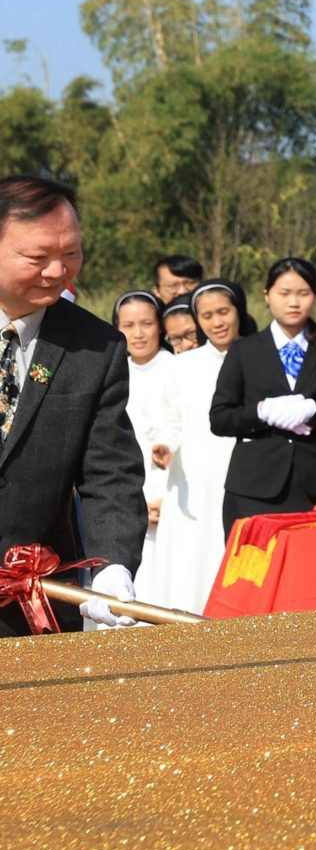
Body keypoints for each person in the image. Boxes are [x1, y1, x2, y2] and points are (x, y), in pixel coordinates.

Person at [0, 176, 144, 631]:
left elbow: (110, 472)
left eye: (71, 254)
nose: (58, 271)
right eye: (37, 257)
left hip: (37, 595)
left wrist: (113, 567)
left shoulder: (95, 347)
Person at [209, 258, 316, 529]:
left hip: (314, 486)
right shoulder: (244, 351)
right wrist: (262, 412)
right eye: (284, 294)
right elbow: (220, 419)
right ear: (267, 296)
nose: (294, 302)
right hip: (253, 487)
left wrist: (314, 410)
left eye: (303, 293)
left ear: (315, 296)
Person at [148, 278, 248, 612]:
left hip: (244, 472)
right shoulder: (183, 365)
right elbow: (172, 418)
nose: (217, 322)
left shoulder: (258, 355)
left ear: (239, 310)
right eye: (207, 316)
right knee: (191, 563)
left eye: (223, 312)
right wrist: (165, 444)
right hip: (192, 476)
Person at [112, 291, 181, 591]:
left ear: (161, 327)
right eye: (128, 325)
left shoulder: (179, 369)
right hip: (125, 497)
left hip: (172, 496)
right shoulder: (110, 372)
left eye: (146, 324)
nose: (138, 334)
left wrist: (167, 498)